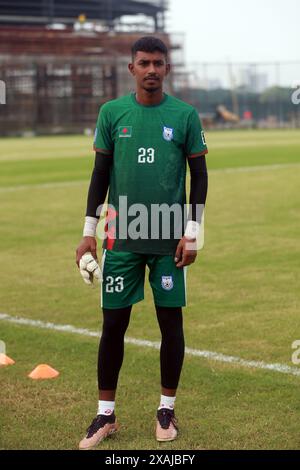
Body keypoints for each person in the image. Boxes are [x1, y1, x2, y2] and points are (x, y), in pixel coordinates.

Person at [76, 36, 208, 450]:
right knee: (113, 325)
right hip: (120, 238)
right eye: (144, 63)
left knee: (172, 324)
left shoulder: (185, 115)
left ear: (167, 69)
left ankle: (166, 409)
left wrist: (193, 232)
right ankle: (105, 416)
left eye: (158, 63)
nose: (151, 69)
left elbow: (200, 177)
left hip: (170, 240)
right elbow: (99, 175)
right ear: (131, 69)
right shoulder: (111, 113)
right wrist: (87, 232)